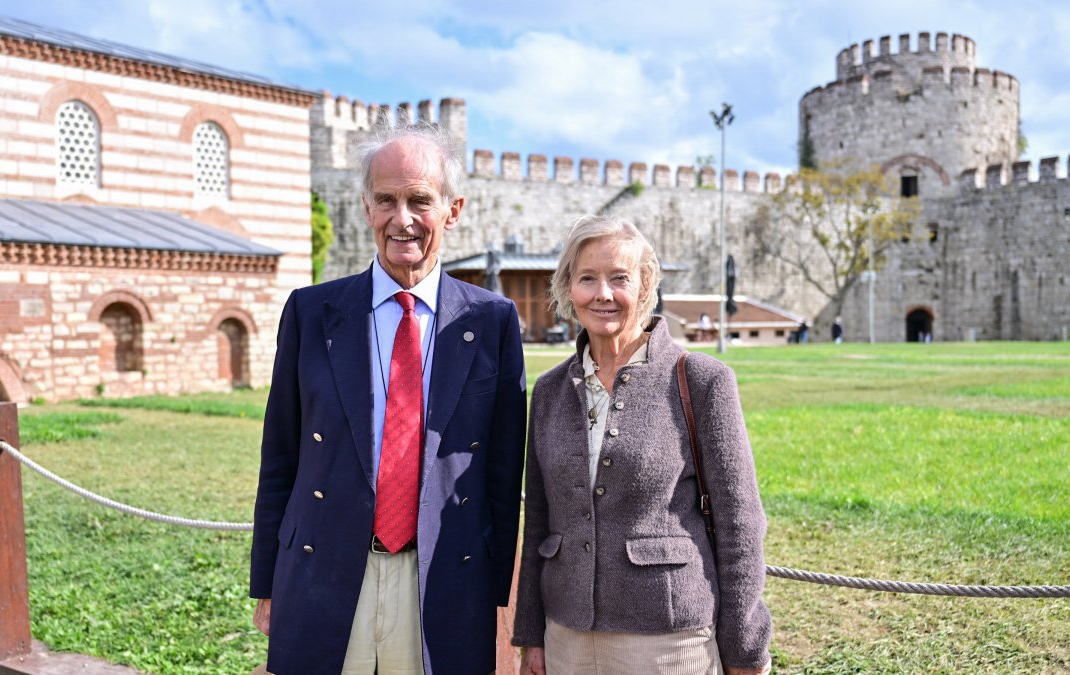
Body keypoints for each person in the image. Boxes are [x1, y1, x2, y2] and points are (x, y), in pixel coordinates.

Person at [249, 125, 528, 674]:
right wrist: (268, 580)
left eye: (419, 199)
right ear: (366, 207)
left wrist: (497, 597)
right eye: (386, 200)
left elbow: (501, 473)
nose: (402, 219)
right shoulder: (310, 312)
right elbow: (279, 457)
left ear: (453, 210)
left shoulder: (492, 321)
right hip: (323, 568)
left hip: (442, 574)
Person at [512, 215, 772, 675]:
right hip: (566, 637)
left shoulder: (703, 382)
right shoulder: (549, 391)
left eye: (619, 278)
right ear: (568, 287)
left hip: (670, 641)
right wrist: (532, 635)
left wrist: (745, 648)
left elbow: (740, 524)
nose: (603, 294)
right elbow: (538, 524)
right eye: (587, 278)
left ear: (646, 284)